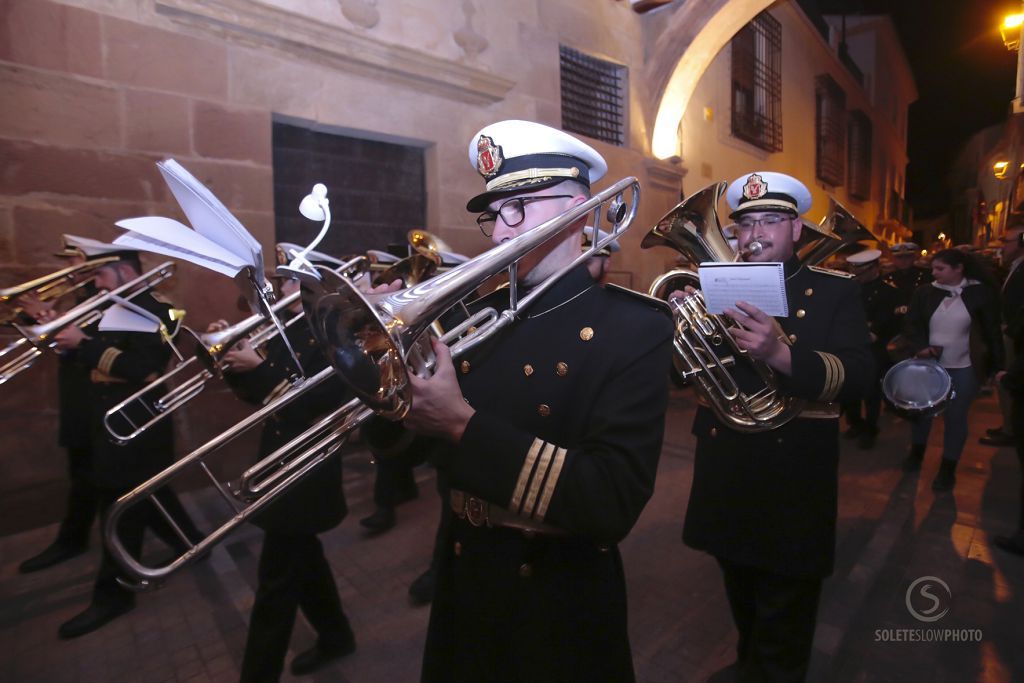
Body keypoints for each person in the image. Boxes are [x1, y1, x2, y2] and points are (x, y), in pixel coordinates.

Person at [397, 119, 673, 682]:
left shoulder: (632, 327)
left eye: (518, 208)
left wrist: (461, 425)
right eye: (494, 214)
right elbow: (408, 453)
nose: (500, 233)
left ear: (577, 209)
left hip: (555, 599)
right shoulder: (473, 316)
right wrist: (387, 396)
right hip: (463, 573)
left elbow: (611, 502)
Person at [679, 171, 874, 681]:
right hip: (726, 464)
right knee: (737, 583)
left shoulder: (832, 292)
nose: (756, 233)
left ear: (796, 231)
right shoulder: (712, 284)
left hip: (793, 471)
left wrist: (780, 354)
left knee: (786, 604)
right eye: (745, 223)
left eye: (771, 220)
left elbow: (859, 377)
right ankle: (750, 663)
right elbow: (681, 375)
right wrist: (677, 329)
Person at [50, 244, 204, 639]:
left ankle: (114, 595)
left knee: (119, 510)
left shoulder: (156, 310)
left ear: (124, 271)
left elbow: (146, 367)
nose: (93, 282)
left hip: (137, 423)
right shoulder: (105, 306)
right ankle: (194, 543)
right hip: (106, 419)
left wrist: (84, 346)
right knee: (148, 496)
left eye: (99, 274)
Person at [217, 265, 357, 680]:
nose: (280, 291)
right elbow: (263, 398)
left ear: (314, 287)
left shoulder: (336, 335)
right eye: (281, 283)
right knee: (302, 560)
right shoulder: (287, 329)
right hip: (280, 461)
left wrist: (259, 368)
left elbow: (319, 404)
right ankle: (336, 636)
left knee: (275, 584)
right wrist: (233, 361)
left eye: (289, 283)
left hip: (307, 469)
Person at [17, 236, 102, 573]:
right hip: (79, 398)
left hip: (96, 401)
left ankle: (72, 539)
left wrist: (49, 319)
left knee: (107, 478)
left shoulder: (107, 301)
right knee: (87, 474)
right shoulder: (80, 297)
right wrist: (39, 317)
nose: (68, 270)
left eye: (75, 262)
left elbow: (100, 349)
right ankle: (73, 538)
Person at [900, 248, 1003, 491]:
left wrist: (997, 366)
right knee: (922, 414)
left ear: (959, 269)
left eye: (940, 269)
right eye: (933, 268)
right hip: (929, 366)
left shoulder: (979, 293)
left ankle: (948, 469)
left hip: (963, 367)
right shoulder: (926, 292)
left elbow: (992, 332)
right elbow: (912, 324)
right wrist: (921, 347)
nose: (934, 273)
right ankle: (917, 454)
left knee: (955, 418)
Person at [841, 248, 900, 449]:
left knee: (871, 391)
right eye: (854, 270)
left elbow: (883, 324)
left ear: (874, 268)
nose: (857, 274)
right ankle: (855, 423)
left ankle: (871, 428)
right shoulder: (850, 288)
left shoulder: (887, 291)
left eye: (862, 271)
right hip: (849, 346)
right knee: (849, 388)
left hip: (873, 347)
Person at [981, 222, 1024, 447]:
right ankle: (1009, 425)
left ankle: (1012, 430)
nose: (1003, 247)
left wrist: (1010, 328)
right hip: (1010, 332)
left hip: (1016, 335)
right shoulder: (1015, 266)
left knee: (1009, 383)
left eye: (1007, 242)